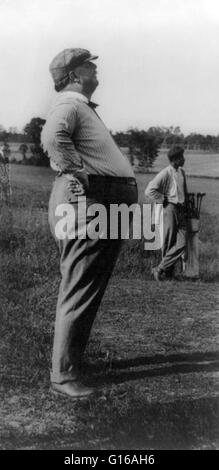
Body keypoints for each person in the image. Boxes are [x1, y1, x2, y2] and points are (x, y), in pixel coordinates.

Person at [41, 48, 138, 399]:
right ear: (73, 76)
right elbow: (53, 137)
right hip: (89, 204)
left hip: (101, 204)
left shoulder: (80, 106)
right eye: (88, 65)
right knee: (80, 285)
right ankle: (63, 376)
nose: (95, 69)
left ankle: (71, 364)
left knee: (87, 285)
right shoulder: (69, 104)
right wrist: (74, 169)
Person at [145, 145, 188, 281]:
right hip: (170, 208)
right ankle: (168, 274)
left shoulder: (181, 172)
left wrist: (187, 205)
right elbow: (149, 190)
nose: (184, 159)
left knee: (182, 243)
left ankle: (159, 269)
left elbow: (184, 191)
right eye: (181, 157)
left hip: (181, 210)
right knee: (169, 242)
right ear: (175, 159)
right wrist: (162, 199)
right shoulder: (165, 173)